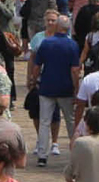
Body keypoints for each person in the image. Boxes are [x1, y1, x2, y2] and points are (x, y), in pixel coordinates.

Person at [31, 15, 81, 163]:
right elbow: (75, 70)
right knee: (70, 121)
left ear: (57, 27)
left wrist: (35, 80)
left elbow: (37, 66)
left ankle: (42, 155)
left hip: (47, 86)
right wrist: (76, 87)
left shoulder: (46, 43)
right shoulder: (72, 45)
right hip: (65, 87)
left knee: (44, 121)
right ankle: (75, 153)